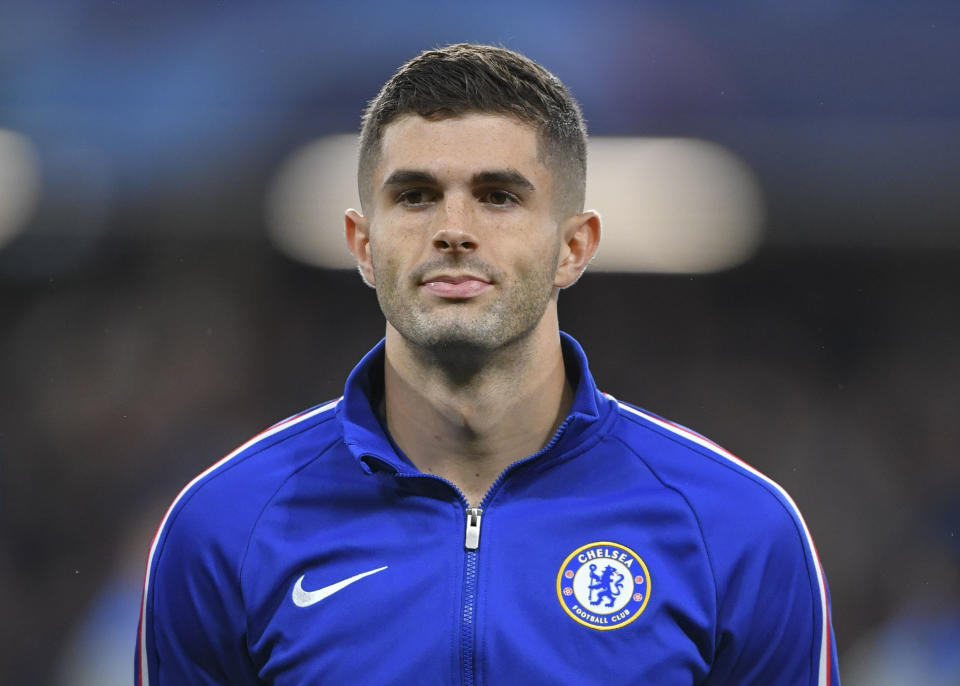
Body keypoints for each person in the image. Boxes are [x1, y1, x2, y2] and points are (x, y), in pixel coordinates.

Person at [136, 43, 840, 685]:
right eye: (415, 196)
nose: (454, 229)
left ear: (575, 246)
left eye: (498, 196)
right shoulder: (225, 526)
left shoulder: (738, 529)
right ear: (362, 243)